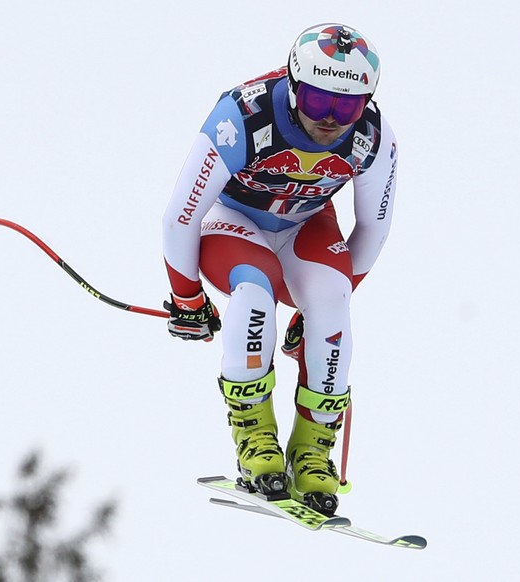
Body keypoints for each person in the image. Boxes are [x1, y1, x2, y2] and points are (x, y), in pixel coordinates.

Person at [161, 23, 397, 515]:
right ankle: (254, 438)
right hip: (233, 220)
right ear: (293, 84)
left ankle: (313, 452)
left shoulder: (372, 138)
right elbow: (182, 214)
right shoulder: (244, 115)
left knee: (332, 301)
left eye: (346, 107)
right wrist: (187, 297)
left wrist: (314, 313)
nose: (330, 120)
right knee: (254, 294)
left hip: (304, 225)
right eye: (316, 102)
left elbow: (373, 229)